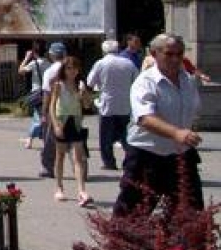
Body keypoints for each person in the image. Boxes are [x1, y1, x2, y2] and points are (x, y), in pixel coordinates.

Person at [114, 33, 205, 216]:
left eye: (179, 54)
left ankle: (178, 246)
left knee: (191, 217)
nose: (175, 59)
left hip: (180, 156)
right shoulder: (145, 82)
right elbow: (145, 118)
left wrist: (185, 133)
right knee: (132, 217)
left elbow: (192, 111)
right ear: (154, 54)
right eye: (169, 54)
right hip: (147, 157)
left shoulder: (187, 80)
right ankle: (125, 245)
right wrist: (176, 133)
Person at [48, 56, 94, 206]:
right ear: (64, 70)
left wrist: (84, 95)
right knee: (60, 155)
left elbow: (87, 106)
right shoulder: (58, 85)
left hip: (76, 122)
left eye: (74, 68)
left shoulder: (80, 85)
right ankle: (59, 187)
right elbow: (52, 106)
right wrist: (55, 124)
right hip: (62, 121)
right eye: (68, 68)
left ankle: (81, 190)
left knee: (78, 157)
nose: (72, 71)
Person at [86, 39, 138, 170]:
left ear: (104, 51)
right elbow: (137, 81)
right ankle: (129, 160)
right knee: (126, 135)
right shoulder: (128, 63)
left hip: (107, 104)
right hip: (125, 104)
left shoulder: (101, 63)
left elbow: (90, 82)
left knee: (106, 136)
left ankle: (109, 162)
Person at [38, 42, 67, 178]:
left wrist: (44, 113)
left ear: (51, 55)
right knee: (75, 139)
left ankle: (48, 167)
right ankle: (81, 168)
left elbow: (47, 93)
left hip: (55, 108)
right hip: (71, 107)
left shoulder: (50, 71)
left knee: (50, 139)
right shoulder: (71, 68)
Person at [18, 42, 50, 149]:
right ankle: (40, 139)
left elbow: (21, 71)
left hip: (37, 93)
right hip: (47, 92)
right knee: (43, 115)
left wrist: (26, 58)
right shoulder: (48, 63)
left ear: (34, 53)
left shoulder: (34, 63)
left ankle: (30, 139)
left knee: (39, 116)